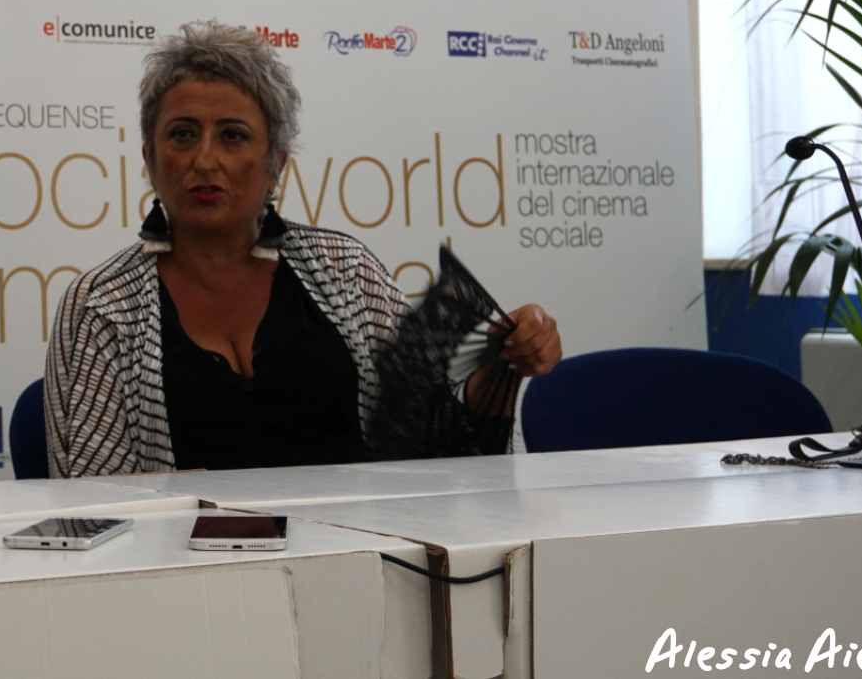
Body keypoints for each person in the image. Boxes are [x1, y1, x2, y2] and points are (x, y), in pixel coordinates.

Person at [45, 23, 562, 477]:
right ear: (149, 159)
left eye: (232, 136)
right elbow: (93, 502)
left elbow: (437, 447)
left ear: (276, 164)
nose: (204, 159)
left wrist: (506, 363)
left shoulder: (347, 272)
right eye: (182, 134)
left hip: (364, 549)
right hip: (185, 559)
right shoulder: (100, 305)